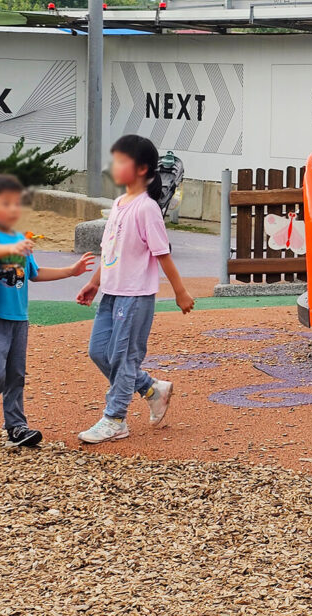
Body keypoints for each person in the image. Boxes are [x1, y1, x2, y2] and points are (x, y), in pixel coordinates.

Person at [0, 174, 94, 450]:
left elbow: (34, 273)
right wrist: (12, 247)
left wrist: (70, 271)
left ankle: (16, 427)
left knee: (16, 374)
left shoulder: (19, 238)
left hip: (18, 318)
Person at [75, 134, 195, 444]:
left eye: (121, 161)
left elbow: (162, 253)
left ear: (142, 169)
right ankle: (153, 390)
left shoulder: (147, 208)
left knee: (124, 358)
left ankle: (115, 419)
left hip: (135, 295)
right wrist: (94, 282)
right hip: (112, 293)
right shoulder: (118, 203)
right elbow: (110, 250)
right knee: (99, 351)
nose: (114, 166)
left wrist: (180, 292)